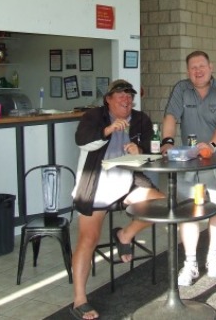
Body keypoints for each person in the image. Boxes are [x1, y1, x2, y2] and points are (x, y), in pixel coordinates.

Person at [70, 79, 164, 320]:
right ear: (108, 99)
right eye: (120, 95)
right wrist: (109, 130)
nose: (126, 100)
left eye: (129, 96)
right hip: (96, 184)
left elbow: (153, 150)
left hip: (127, 182)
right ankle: (79, 299)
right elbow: (82, 141)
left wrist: (139, 150)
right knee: (88, 239)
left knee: (162, 203)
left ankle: (125, 234)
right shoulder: (94, 117)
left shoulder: (140, 118)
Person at [161, 50, 216, 286]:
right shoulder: (181, 89)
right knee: (191, 212)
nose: (198, 71)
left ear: (211, 67)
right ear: (188, 71)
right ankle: (190, 262)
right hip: (190, 163)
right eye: (193, 67)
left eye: (202, 66)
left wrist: (212, 146)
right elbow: (170, 116)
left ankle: (213, 256)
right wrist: (167, 141)